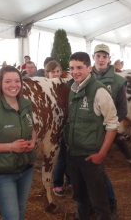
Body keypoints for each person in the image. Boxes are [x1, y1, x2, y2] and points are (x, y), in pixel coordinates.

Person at [0, 66, 37, 220]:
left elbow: (32, 128)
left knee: (21, 212)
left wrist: (33, 141)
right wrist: (11, 147)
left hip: (27, 169)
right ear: (0, 84)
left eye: (17, 81)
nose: (13, 85)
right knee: (11, 216)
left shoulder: (26, 105)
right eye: (8, 81)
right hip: (4, 173)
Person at [66, 51, 119, 220]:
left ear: (89, 68)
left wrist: (101, 154)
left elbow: (112, 125)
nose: (75, 72)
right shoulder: (73, 89)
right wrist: (69, 143)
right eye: (72, 68)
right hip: (74, 154)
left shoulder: (99, 91)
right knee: (80, 197)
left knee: (99, 200)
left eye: (80, 67)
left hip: (91, 155)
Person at [92, 44, 129, 216]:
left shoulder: (118, 81)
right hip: (85, 130)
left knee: (98, 167)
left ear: (109, 59)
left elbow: (122, 109)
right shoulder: (84, 76)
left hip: (104, 130)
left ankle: (111, 202)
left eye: (104, 56)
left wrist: (110, 126)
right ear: (94, 58)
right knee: (90, 167)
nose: (101, 59)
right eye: (98, 56)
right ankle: (95, 203)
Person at [46, 61, 71, 196]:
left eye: (58, 71)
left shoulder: (64, 86)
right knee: (61, 157)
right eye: (53, 72)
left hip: (65, 126)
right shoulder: (44, 89)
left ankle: (69, 179)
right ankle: (57, 184)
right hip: (54, 129)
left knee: (68, 154)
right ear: (47, 73)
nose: (56, 74)